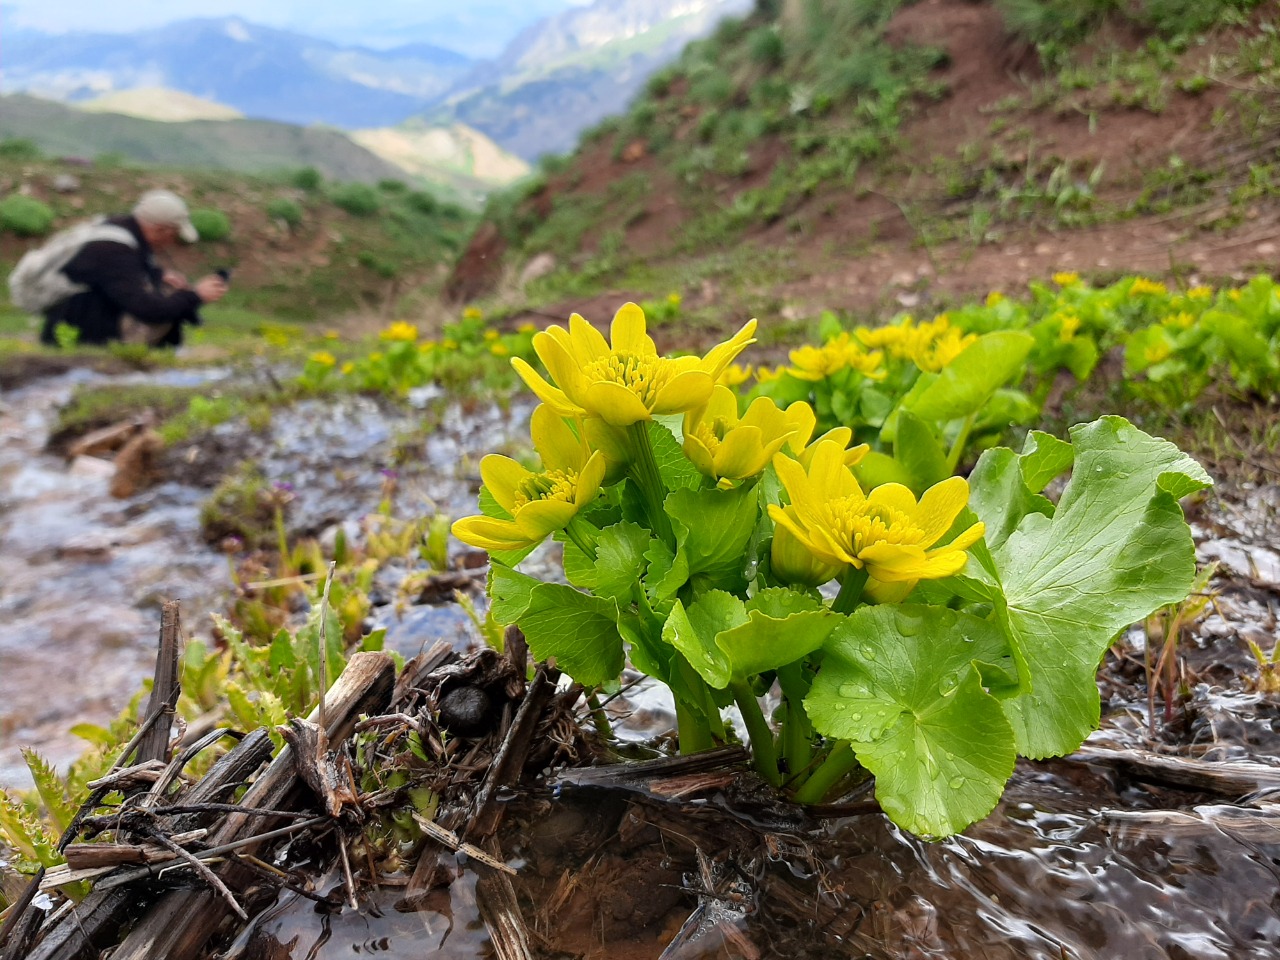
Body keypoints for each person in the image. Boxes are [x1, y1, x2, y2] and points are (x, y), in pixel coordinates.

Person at [39, 189, 228, 348]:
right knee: (168, 306)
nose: (172, 242)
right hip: (85, 335)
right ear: (161, 230)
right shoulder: (114, 251)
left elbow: (114, 277)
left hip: (73, 320)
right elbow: (148, 310)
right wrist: (196, 296)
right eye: (174, 234)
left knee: (169, 294)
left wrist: (158, 274)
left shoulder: (118, 229)